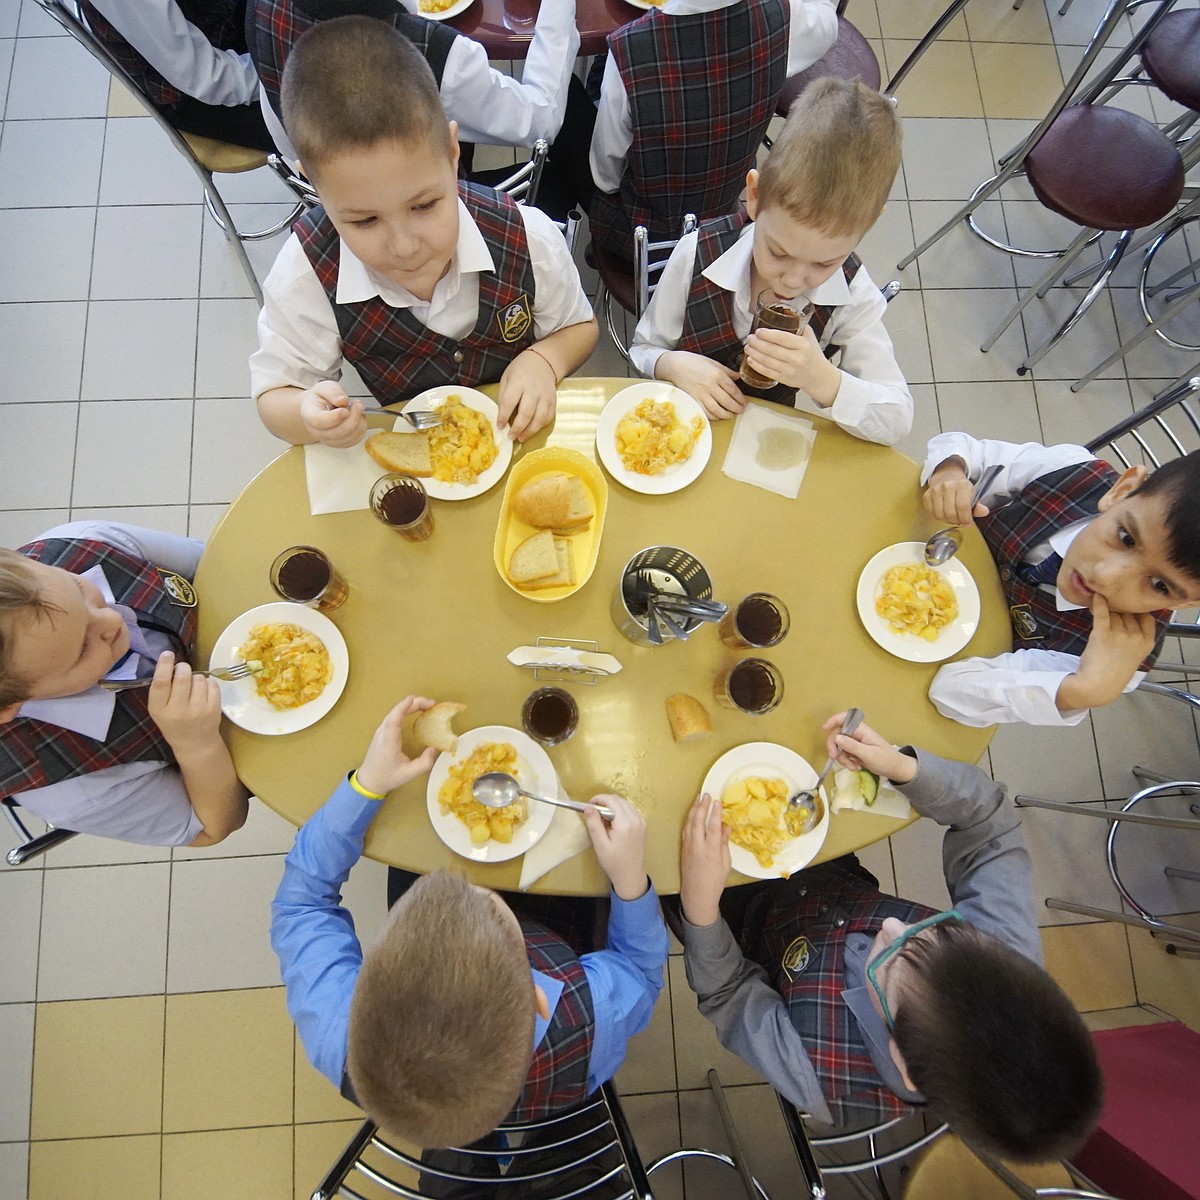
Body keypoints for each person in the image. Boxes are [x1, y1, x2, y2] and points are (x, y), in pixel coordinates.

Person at [678, 713, 1103, 1162]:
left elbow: (726, 991)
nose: (892, 924)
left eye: (895, 958)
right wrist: (904, 769)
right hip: (828, 868)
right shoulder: (1005, 963)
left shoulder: (819, 1076)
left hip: (726, 913)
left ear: (901, 1058)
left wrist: (701, 908)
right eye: (933, 935)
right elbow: (989, 821)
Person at [271, 695, 667, 1147]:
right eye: (494, 906)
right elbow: (639, 968)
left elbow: (301, 905)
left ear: (360, 986)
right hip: (566, 971)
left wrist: (367, 786)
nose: (474, 885)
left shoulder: (335, 1033)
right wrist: (630, 880)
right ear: (539, 998)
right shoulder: (595, 1017)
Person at [249, 17, 598, 445]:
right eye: (364, 221)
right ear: (314, 187)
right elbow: (275, 394)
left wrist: (545, 359)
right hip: (415, 452)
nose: (405, 246)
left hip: (522, 438)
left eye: (424, 205)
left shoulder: (527, 237)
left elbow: (579, 328)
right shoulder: (306, 275)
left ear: (453, 153)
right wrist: (305, 414)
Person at [628, 77, 911, 445]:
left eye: (823, 264)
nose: (793, 281)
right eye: (778, 252)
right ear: (755, 196)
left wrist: (821, 379)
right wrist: (671, 364)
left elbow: (898, 419)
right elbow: (644, 347)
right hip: (680, 433)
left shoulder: (852, 296)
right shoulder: (698, 251)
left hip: (761, 446)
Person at [922, 435, 1200, 726]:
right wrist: (951, 472)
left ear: (1190, 601)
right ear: (1123, 490)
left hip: (941, 657)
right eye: (1126, 538)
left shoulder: (1111, 655)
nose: (1105, 577)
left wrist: (1081, 691)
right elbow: (969, 451)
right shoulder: (1071, 471)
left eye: (1159, 585)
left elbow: (950, 693)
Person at [0, 522, 249, 847]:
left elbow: (216, 562)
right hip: (254, 754)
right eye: (82, 650)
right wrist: (195, 744)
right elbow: (214, 825)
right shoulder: (67, 792)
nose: (112, 619)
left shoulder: (82, 542)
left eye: (78, 587)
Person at [588, 0, 839, 262]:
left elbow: (606, 177)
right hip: (724, 226)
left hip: (642, 241)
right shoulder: (783, 16)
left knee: (581, 101)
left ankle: (596, 253)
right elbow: (827, 23)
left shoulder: (629, 48)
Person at [244, 0, 582, 189]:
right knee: (570, 140)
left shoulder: (263, 8)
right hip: (434, 214)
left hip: (323, 183)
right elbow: (540, 121)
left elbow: (278, 122)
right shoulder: (431, 52)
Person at [79, 0, 275, 151]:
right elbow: (206, 77)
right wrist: (284, 74)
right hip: (200, 93)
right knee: (305, 112)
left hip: (217, 20)